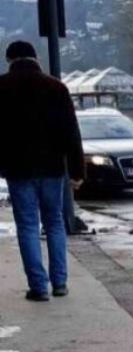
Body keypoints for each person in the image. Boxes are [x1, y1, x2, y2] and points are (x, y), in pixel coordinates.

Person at [0, 41, 85, 301]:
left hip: (18, 170)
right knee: (55, 223)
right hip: (52, 168)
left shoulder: (1, 88)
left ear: (9, 59)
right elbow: (72, 132)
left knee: (27, 226)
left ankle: (38, 287)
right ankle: (60, 282)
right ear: (36, 58)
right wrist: (77, 171)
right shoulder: (56, 88)